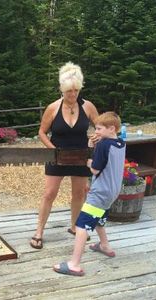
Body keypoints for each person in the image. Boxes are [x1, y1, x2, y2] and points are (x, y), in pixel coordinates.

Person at [30, 62, 99, 249]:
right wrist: (53, 150)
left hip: (80, 157)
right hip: (56, 156)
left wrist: (97, 135)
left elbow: (100, 126)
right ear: (62, 89)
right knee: (49, 193)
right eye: (69, 91)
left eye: (76, 90)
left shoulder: (88, 106)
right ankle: (38, 232)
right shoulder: (53, 108)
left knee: (78, 193)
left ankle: (75, 228)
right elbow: (42, 132)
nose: (73, 94)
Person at [53, 112, 125, 276]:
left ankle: (74, 264)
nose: (96, 131)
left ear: (111, 128)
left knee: (81, 225)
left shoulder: (103, 145)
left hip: (99, 193)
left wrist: (88, 158)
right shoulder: (120, 143)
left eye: (99, 128)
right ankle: (105, 246)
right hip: (112, 191)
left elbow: (95, 169)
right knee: (99, 218)